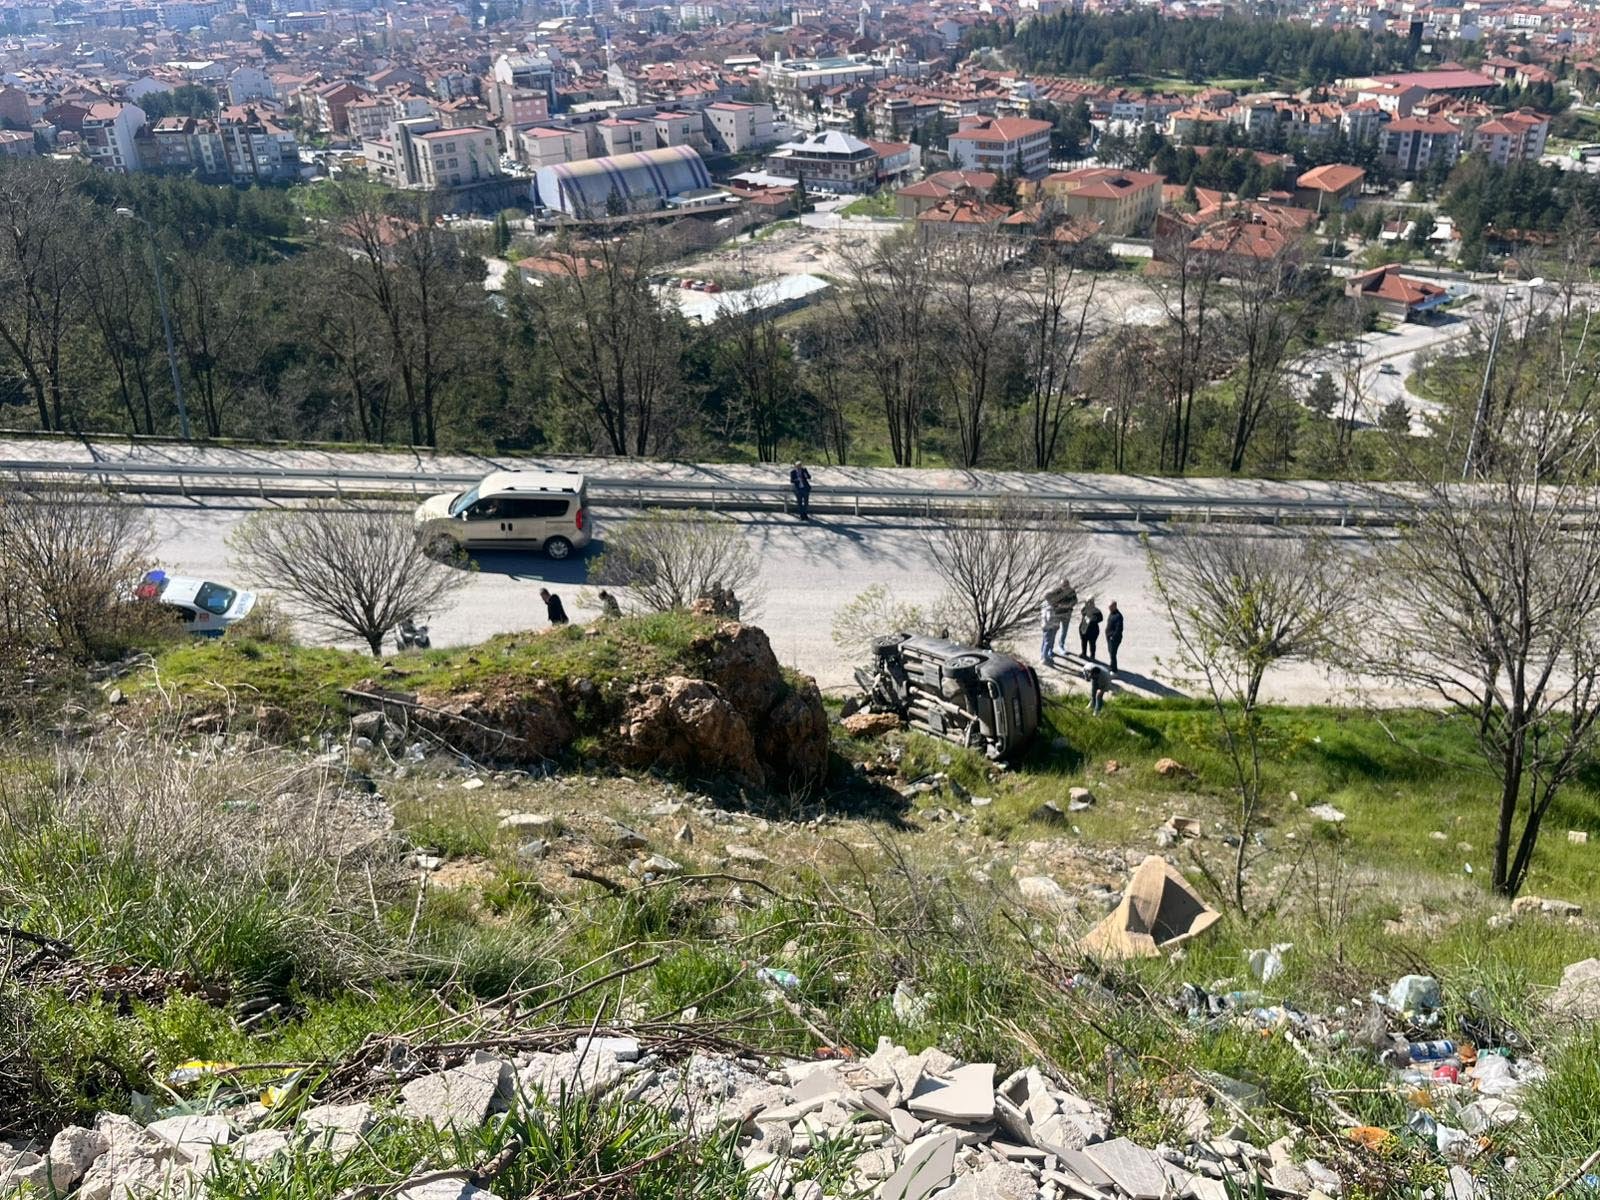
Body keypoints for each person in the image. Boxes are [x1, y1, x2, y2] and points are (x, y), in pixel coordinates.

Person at [1040, 597, 1061, 667]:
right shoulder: (1050, 608)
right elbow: (1050, 618)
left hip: (1044, 626)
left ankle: (1042, 656)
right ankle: (1045, 659)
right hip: (1049, 627)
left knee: (1044, 641)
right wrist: (1055, 624)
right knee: (1047, 643)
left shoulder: (1044, 604)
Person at [1105, 601, 1123, 673]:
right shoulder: (1111, 613)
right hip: (1109, 637)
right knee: (1110, 652)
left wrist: (1113, 637)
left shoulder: (1118, 616)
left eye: (1111, 607)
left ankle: (1114, 670)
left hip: (1114, 639)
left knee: (1113, 653)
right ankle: (1111, 666)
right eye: (1109, 607)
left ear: (1115, 606)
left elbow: (1119, 628)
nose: (1109, 608)